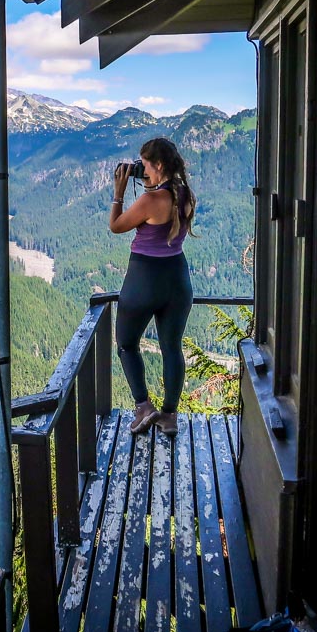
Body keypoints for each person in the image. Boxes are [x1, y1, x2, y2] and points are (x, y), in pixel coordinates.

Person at [108, 137, 196, 436]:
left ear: (157, 165)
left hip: (144, 278)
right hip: (177, 279)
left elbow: (117, 226)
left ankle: (143, 406)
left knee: (126, 343)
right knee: (172, 347)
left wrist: (119, 193)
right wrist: (149, 183)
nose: (140, 171)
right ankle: (169, 415)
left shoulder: (151, 200)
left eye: (144, 165)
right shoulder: (184, 194)